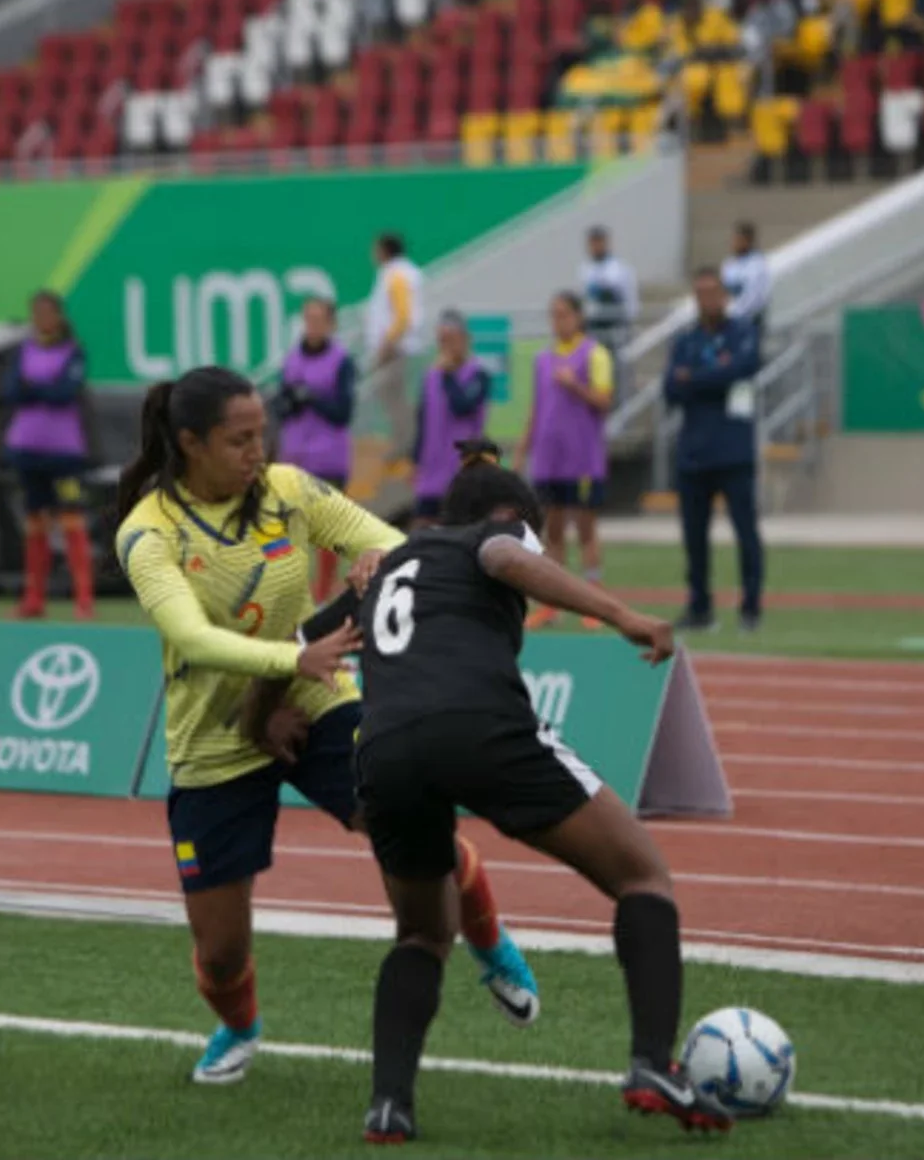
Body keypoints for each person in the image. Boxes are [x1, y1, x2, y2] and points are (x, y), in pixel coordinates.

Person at [290, 441, 731, 1144]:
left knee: (423, 933)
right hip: (480, 726)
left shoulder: (382, 570)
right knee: (643, 875)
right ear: (508, 515)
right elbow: (504, 560)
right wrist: (621, 615)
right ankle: (652, 1064)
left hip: (384, 751)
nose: (540, 547)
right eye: (538, 532)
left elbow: (294, 648)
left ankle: (388, 1106)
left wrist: (263, 722)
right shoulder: (495, 532)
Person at [116, 368, 538, 1087]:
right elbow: (191, 639)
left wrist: (381, 558)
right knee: (219, 952)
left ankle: (492, 944)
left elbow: (392, 542)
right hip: (214, 735)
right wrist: (293, 656)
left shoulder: (288, 489)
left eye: (261, 435)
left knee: (405, 823)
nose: (258, 452)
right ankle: (239, 1024)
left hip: (318, 698)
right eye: (237, 440)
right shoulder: (147, 532)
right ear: (188, 442)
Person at [666, 269, 763, 633]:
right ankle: (700, 607)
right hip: (694, 453)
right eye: (700, 292)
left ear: (725, 295)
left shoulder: (742, 332)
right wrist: (712, 376)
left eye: (713, 292)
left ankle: (751, 608)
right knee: (693, 538)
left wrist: (695, 378)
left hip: (734, 452)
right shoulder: (685, 340)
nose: (707, 299)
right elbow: (670, 389)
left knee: (746, 532)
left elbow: (744, 368)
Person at [514, 292, 613, 631]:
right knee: (552, 531)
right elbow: (536, 409)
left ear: (578, 317)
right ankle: (550, 605)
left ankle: (595, 603)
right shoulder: (543, 360)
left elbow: (604, 401)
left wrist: (576, 386)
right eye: (553, 315)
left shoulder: (595, 354)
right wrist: (522, 449)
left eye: (564, 315)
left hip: (582, 459)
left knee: (585, 529)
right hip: (548, 459)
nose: (558, 322)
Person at [6, 290, 95, 620]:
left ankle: (84, 600)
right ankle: (34, 599)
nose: (41, 319)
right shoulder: (23, 351)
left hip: (65, 457)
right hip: (27, 453)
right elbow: (11, 391)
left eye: (47, 312)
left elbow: (63, 394)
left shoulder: (74, 353)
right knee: (35, 524)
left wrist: (34, 387)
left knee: (72, 519)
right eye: (36, 313)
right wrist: (38, 388)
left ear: (58, 316)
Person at [272, 297, 357, 603]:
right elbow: (279, 407)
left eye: (319, 319)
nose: (312, 326)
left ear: (331, 324)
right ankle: (291, 594)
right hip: (294, 456)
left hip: (328, 457)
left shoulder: (341, 361)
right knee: (288, 530)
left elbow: (343, 412)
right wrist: (290, 400)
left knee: (325, 534)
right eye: (308, 319)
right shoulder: (292, 359)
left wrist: (312, 397)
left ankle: (322, 596)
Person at [410, 309, 491, 527]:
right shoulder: (431, 375)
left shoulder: (478, 375)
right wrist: (415, 460)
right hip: (431, 469)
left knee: (459, 530)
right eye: (442, 341)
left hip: (461, 470)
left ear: (464, 339)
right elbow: (422, 420)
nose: (446, 347)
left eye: (451, 340)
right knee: (422, 529)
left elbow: (462, 406)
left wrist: (448, 376)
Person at [365, 233, 425, 473]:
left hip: (395, 348)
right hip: (399, 345)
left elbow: (403, 314)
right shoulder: (403, 273)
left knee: (394, 397)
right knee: (395, 396)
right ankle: (406, 441)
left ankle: (406, 443)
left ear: (384, 250)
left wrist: (388, 342)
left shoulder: (396, 275)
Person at [578, 226, 640, 404]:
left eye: (599, 242)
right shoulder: (585, 268)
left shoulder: (619, 268)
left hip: (614, 327)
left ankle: (618, 407)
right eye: (593, 243)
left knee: (616, 370)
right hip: (594, 327)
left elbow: (628, 298)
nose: (596, 246)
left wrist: (626, 321)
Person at [719, 221, 771, 358]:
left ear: (748, 241)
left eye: (739, 240)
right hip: (729, 321)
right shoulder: (728, 264)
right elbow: (725, 292)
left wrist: (738, 315)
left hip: (749, 321)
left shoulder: (758, 264)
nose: (735, 243)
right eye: (734, 239)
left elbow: (755, 297)